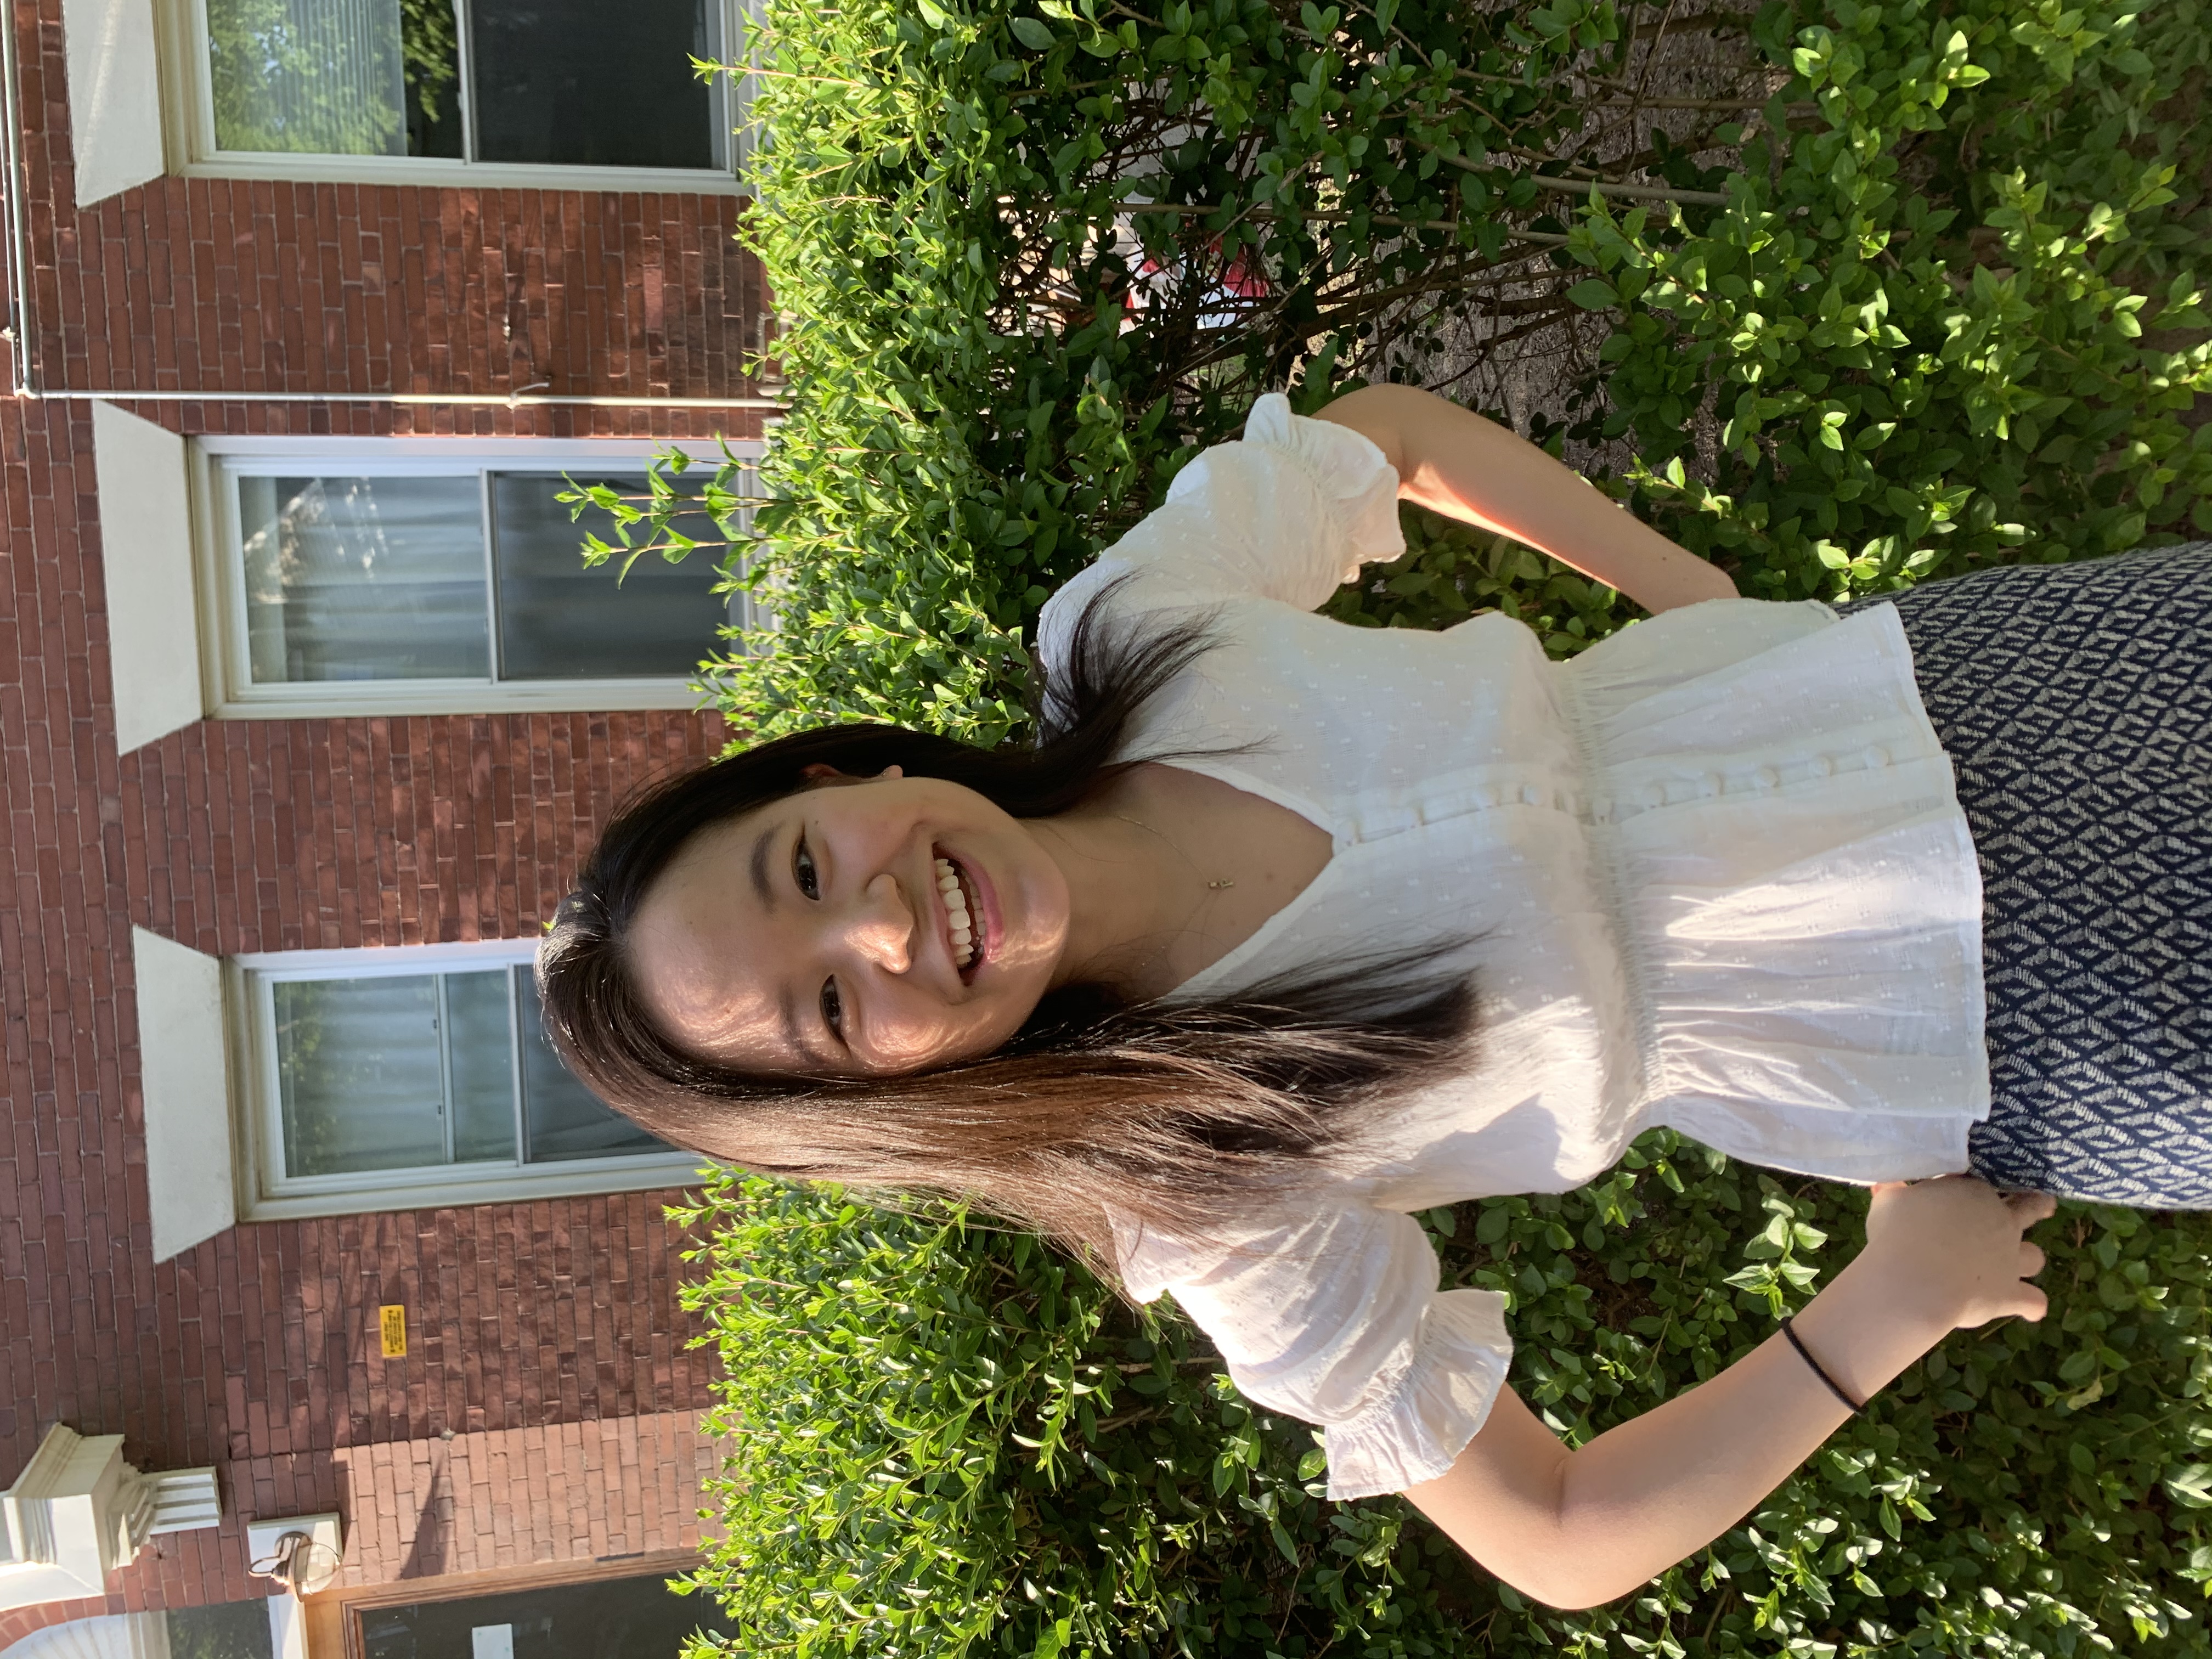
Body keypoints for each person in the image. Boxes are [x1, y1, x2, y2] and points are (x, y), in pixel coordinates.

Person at [537, 383, 2210, 1610]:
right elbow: (1560, 1535)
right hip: (2043, 1009)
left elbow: (1386, 435)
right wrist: (1889, 1311)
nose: (884, 930)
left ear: (834, 774)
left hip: (1983, 669)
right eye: (830, 1013)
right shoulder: (1194, 1185)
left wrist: (1695, 602)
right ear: (884, 1101)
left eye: (805, 871)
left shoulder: (1129, 636)